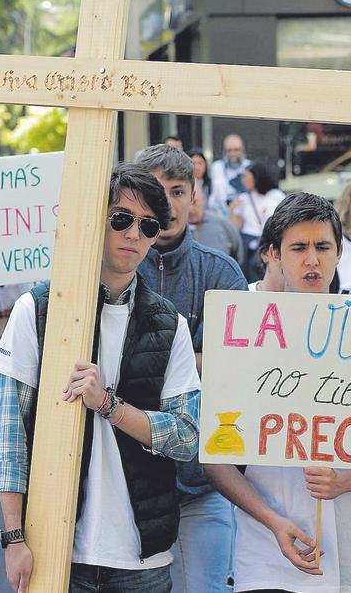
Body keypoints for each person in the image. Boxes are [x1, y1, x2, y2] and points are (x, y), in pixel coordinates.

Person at [0, 164, 201, 592]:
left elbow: (186, 436)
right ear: (94, 219)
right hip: (57, 549)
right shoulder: (35, 309)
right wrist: (14, 538)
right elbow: (10, 438)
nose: (133, 235)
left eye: (148, 226)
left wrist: (110, 405)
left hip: (143, 556)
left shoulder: (170, 322)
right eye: (121, 219)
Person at [206, 192, 351, 593]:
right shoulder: (243, 323)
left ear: (339, 251)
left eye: (322, 247)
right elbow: (215, 459)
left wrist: (346, 482)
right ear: (274, 254)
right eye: (298, 247)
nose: (312, 260)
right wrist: (273, 521)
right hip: (266, 555)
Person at [134, 145, 247, 593]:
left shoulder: (222, 272)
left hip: (207, 479)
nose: (169, 202)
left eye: (178, 190)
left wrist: (168, 360)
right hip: (131, 482)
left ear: (194, 195)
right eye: (158, 191)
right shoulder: (114, 268)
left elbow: (240, 368)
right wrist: (198, 358)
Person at [230, 162, 286, 281]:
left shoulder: (276, 195)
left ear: (257, 178)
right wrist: (232, 210)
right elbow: (236, 226)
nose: (243, 180)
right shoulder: (243, 199)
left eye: (247, 177)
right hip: (250, 243)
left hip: (270, 239)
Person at [188, 183, 244, 265]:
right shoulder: (172, 230)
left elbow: (238, 257)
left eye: (194, 202)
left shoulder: (223, 224)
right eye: (187, 204)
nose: (190, 209)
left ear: (203, 199)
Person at [209, 133, 252, 210]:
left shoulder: (249, 166)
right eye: (229, 150)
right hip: (221, 211)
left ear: (242, 150)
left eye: (236, 150)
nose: (233, 154)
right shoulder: (217, 167)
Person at [189, 151, 217, 216]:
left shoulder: (212, 184)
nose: (197, 167)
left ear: (205, 165)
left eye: (200, 163)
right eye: (194, 163)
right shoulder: (184, 186)